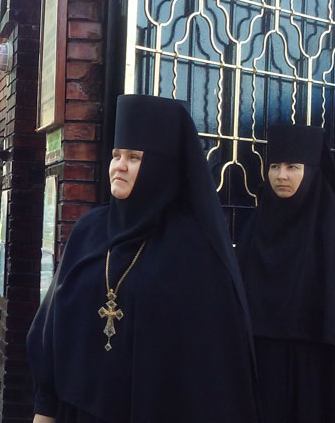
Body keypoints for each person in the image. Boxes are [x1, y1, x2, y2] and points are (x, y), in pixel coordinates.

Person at [27, 95, 259, 423]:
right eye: (116, 155)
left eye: (134, 157)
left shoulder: (194, 249)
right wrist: (44, 409)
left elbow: (210, 369)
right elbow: (51, 327)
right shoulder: (89, 231)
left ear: (161, 168)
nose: (119, 166)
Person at [237, 124, 335, 422]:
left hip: (316, 371)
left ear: (313, 172)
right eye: (275, 166)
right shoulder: (255, 228)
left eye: (293, 167)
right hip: (262, 367)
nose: (281, 176)